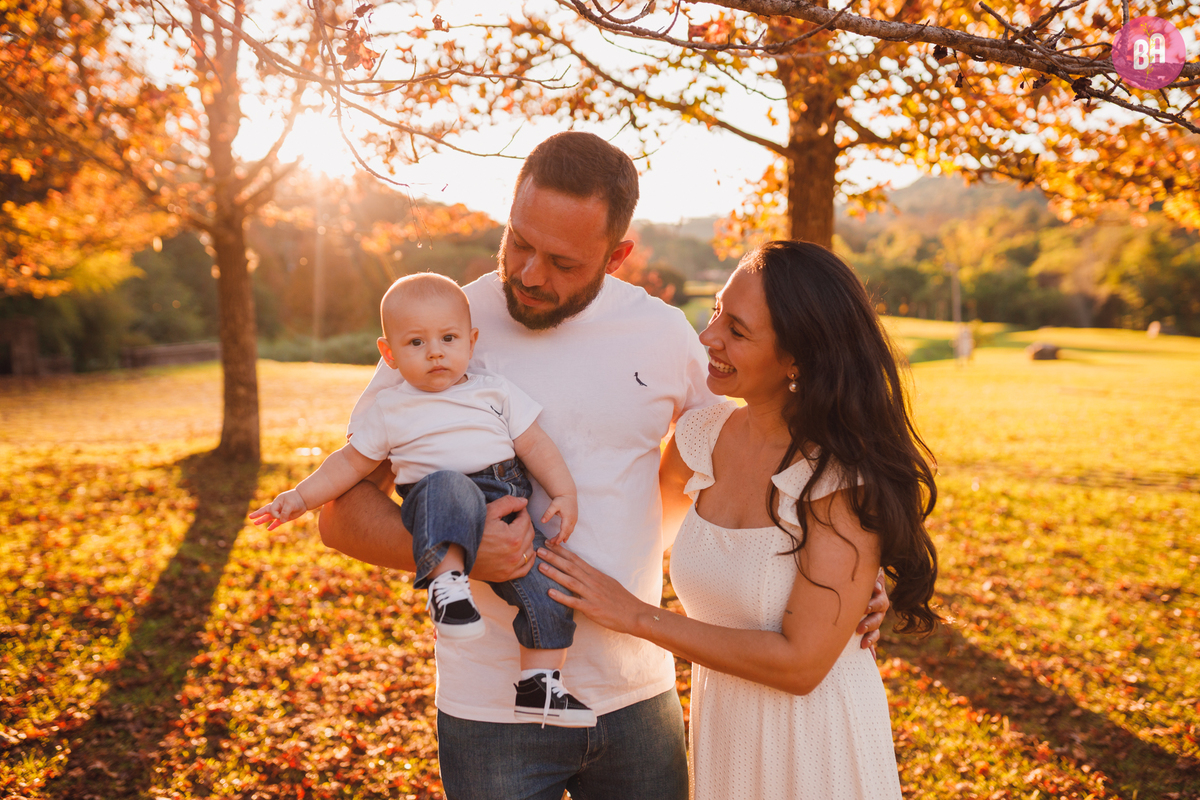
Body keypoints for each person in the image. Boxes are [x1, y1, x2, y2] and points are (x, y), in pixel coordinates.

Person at [317, 133, 890, 799]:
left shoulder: (667, 334)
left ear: (618, 256)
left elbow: (751, 457)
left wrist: (847, 578)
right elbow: (342, 515)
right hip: (492, 713)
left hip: (639, 699)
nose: (531, 273)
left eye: (562, 262)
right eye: (519, 242)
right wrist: (469, 554)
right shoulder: (443, 326)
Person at [540, 240, 940, 800]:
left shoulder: (840, 481)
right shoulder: (701, 438)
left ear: (797, 359)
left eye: (738, 329)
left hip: (815, 745)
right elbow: (633, 528)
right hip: (726, 732)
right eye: (717, 313)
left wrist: (635, 616)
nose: (709, 337)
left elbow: (802, 665)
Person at [249, 272, 594, 727]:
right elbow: (349, 464)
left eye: (448, 338)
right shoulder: (390, 408)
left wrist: (565, 493)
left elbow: (535, 446)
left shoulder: (494, 391)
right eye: (415, 343)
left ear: (470, 342)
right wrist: (300, 497)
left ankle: (540, 684)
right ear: (388, 354)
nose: (435, 352)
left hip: (505, 494)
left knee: (552, 589)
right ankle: (446, 589)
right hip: (437, 499)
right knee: (448, 484)